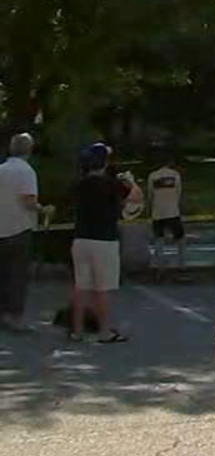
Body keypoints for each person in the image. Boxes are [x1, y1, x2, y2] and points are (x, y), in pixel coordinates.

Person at [71, 143, 139, 343]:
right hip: (105, 240)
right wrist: (131, 182)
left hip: (81, 239)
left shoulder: (80, 184)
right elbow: (135, 199)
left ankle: (77, 331)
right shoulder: (111, 185)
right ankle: (104, 331)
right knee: (103, 288)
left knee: (81, 287)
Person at [0, 133, 39, 332]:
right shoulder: (27, 171)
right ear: (29, 150)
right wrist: (43, 210)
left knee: (3, 273)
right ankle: (15, 317)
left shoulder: (2, 170)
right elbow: (28, 200)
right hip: (19, 228)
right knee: (17, 275)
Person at [146, 154, 186, 271]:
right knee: (180, 238)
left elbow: (150, 195)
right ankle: (181, 264)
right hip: (173, 211)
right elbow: (178, 193)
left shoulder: (152, 176)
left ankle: (160, 266)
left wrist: (150, 209)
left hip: (158, 212)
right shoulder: (175, 175)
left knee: (159, 239)